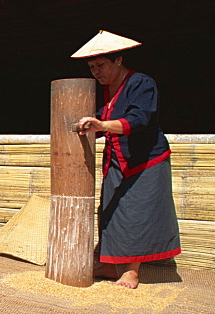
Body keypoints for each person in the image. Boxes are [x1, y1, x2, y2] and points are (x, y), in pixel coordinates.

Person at [74, 30, 181, 289]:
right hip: (117, 160)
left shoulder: (141, 83)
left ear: (118, 60)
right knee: (109, 210)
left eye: (100, 65)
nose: (96, 72)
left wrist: (101, 124)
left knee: (135, 212)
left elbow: (139, 119)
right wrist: (93, 125)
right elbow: (103, 121)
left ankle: (131, 272)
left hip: (145, 159)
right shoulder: (110, 92)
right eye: (92, 67)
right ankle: (111, 263)